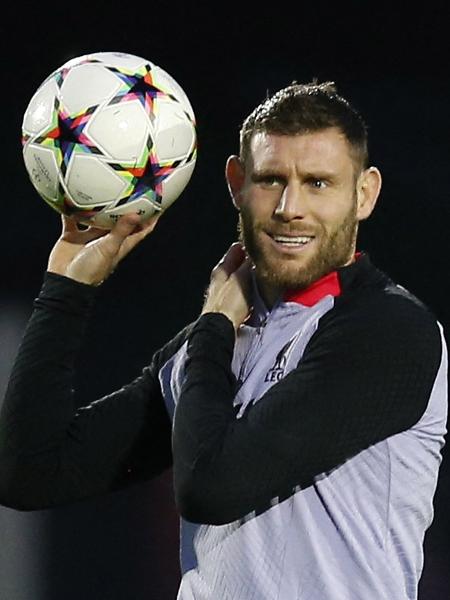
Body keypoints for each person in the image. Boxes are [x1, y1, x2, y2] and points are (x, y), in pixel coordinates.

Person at [0, 81, 447, 600]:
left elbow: (212, 488)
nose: (290, 207)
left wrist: (213, 328)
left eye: (319, 183)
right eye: (271, 179)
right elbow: (30, 473)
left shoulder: (390, 332)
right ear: (237, 181)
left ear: (364, 193)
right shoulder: (208, 344)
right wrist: (66, 289)